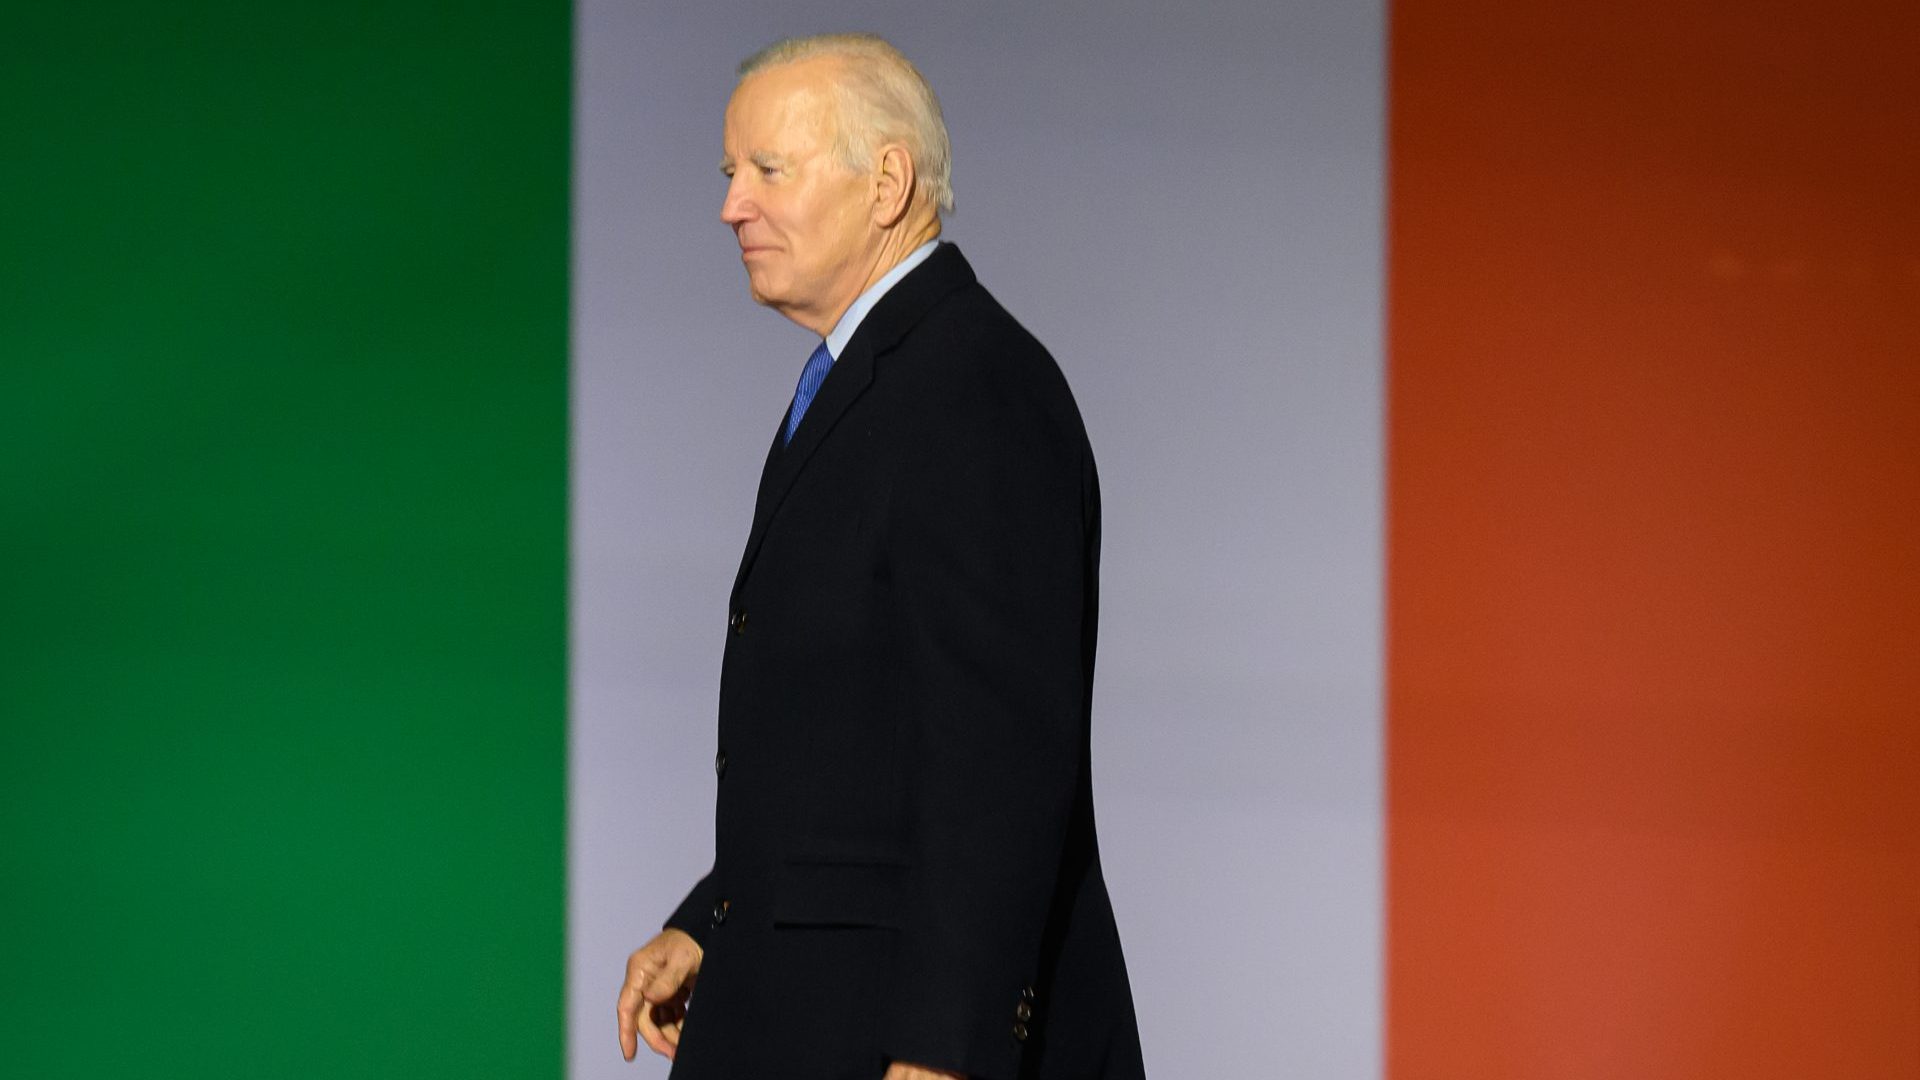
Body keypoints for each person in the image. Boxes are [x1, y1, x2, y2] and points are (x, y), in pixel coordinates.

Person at [615, 33, 1145, 1080]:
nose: (733, 206)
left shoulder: (974, 388)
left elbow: (995, 766)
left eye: (770, 170)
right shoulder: (862, 383)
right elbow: (854, 760)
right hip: (805, 1023)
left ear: (888, 181)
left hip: (895, 1047)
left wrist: (943, 1055)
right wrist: (710, 924)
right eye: (731, 174)